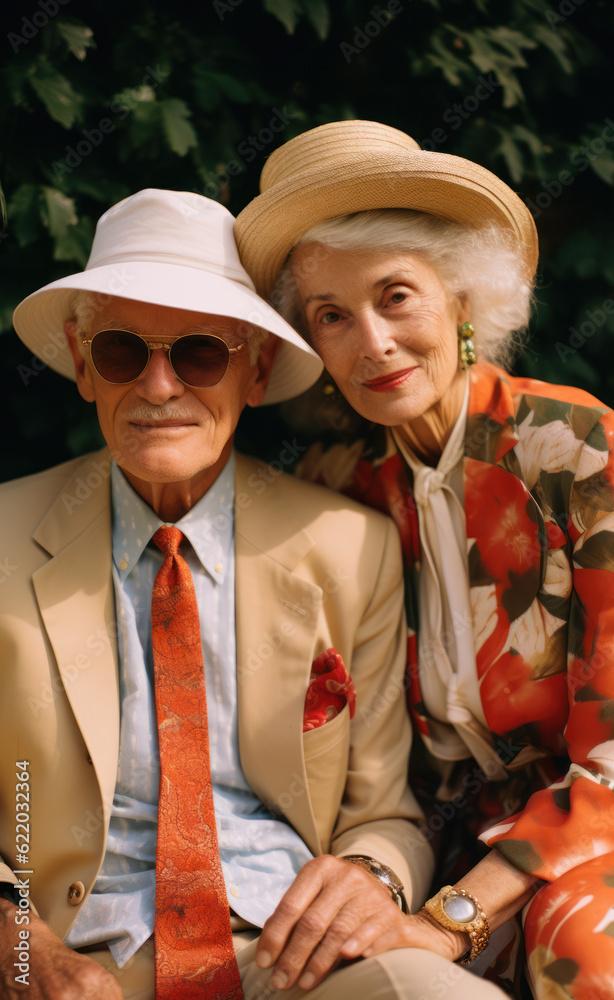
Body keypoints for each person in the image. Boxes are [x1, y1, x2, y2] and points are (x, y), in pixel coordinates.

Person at [0, 188, 507, 1000]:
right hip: (74, 960)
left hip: (294, 957)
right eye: (126, 352)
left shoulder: (349, 545)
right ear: (83, 362)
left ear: (258, 367)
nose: (160, 388)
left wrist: (368, 877)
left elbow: (384, 814)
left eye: (200, 353)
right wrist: (19, 947)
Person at [235, 120, 614, 999]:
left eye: (395, 296)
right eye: (331, 316)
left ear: (462, 298)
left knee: (585, 943)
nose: (373, 342)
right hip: (445, 849)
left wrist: (450, 919)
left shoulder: (572, 449)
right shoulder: (337, 487)